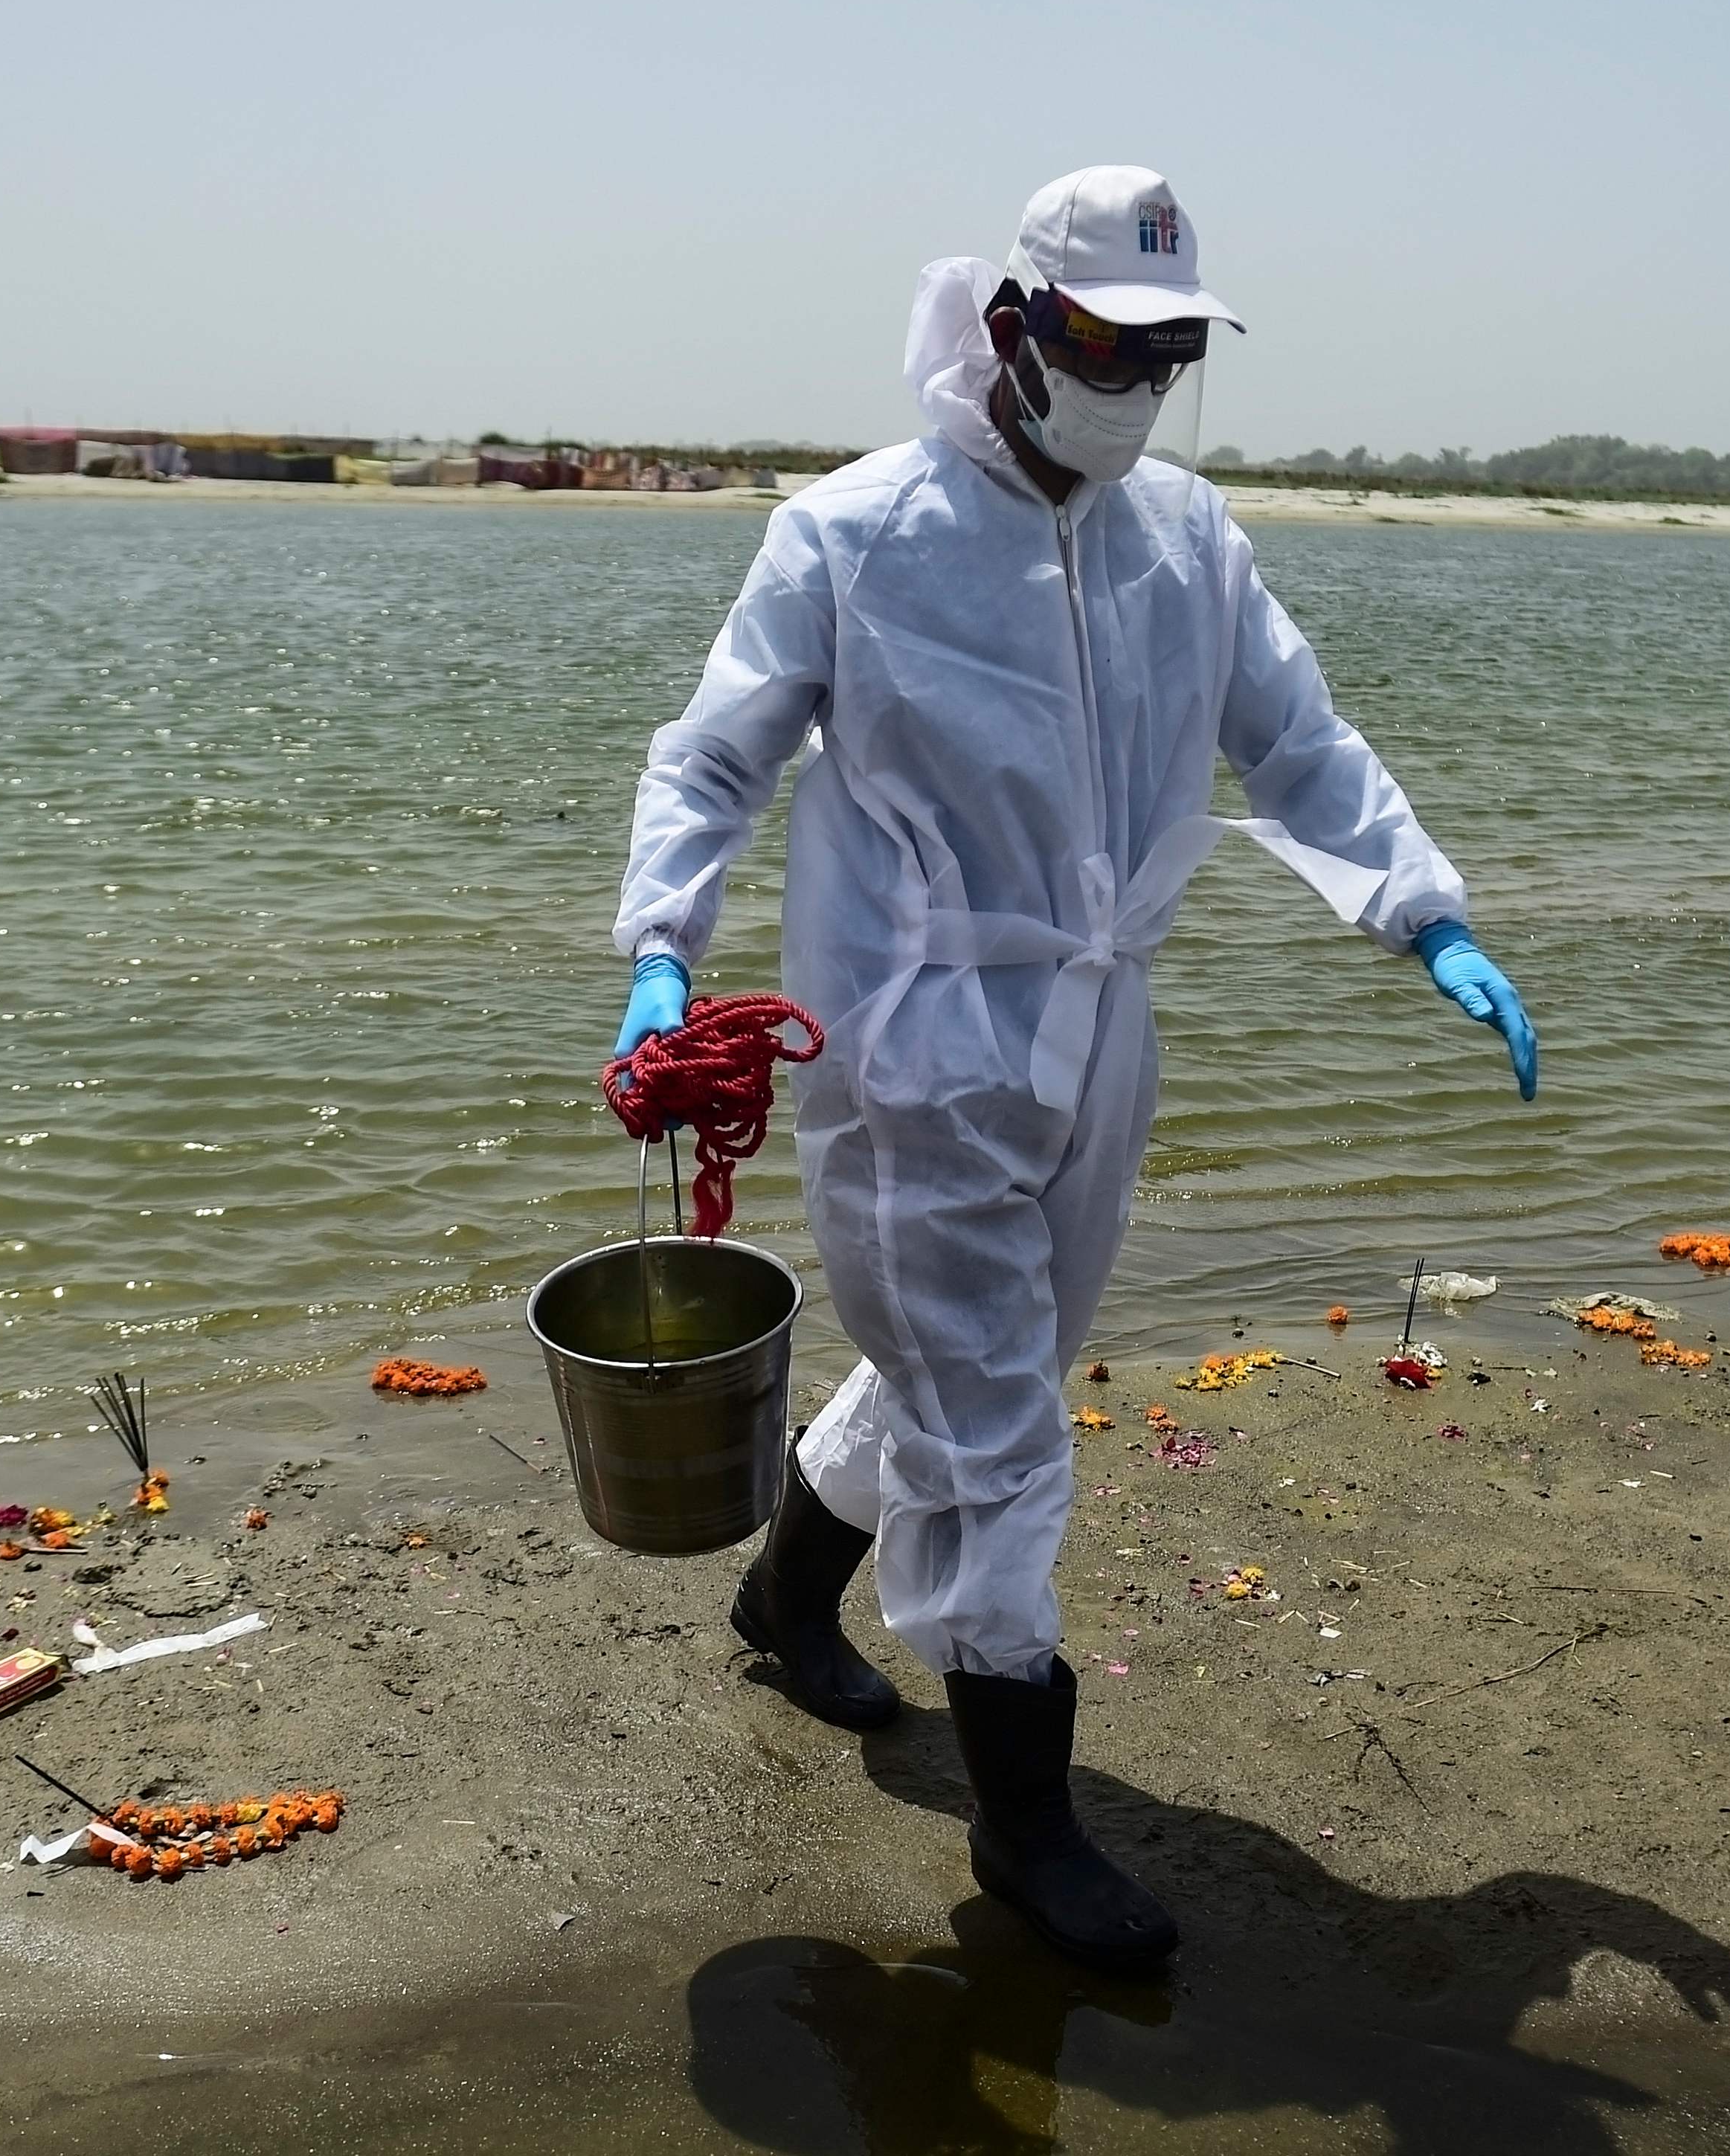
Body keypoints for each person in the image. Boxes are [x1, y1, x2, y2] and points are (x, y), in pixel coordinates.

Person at [611, 165, 1533, 1972]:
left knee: (982, 1374)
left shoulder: (1185, 537)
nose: (1138, 383)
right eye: (1113, 343)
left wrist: (1425, 919)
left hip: (1099, 1029)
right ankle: (1025, 1829)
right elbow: (710, 756)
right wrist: (662, 951)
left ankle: (783, 1606)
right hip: (911, 1048)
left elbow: (1299, 742)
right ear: (1017, 330)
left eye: (1173, 353)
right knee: (1007, 1440)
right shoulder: (854, 534)